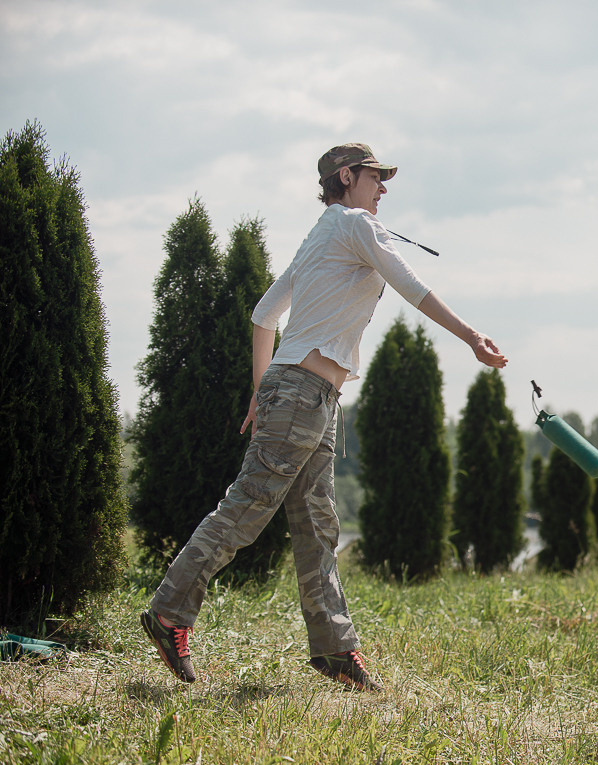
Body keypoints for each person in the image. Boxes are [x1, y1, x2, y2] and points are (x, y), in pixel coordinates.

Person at [141, 143, 507, 691]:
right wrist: (471, 336)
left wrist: (262, 388)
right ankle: (169, 611)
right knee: (248, 505)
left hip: (309, 396)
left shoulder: (321, 233)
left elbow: (265, 315)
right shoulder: (355, 225)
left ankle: (336, 650)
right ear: (346, 176)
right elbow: (411, 285)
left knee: (316, 525)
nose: (383, 188)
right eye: (376, 177)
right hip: (303, 393)